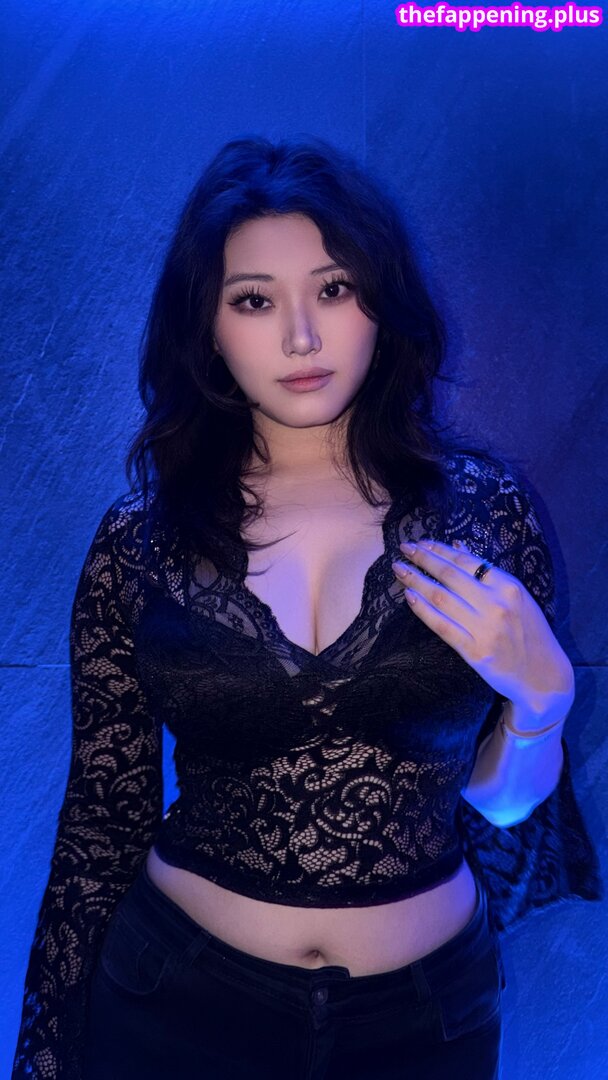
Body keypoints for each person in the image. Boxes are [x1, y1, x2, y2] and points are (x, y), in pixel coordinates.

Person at [12, 135, 602, 1080]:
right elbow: (98, 828)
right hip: (175, 1006)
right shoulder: (140, 542)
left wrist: (544, 702)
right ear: (208, 328)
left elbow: (503, 808)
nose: (300, 337)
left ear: (382, 306)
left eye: (333, 289)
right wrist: (46, 1058)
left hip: (423, 1024)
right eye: (254, 300)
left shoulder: (486, 516)